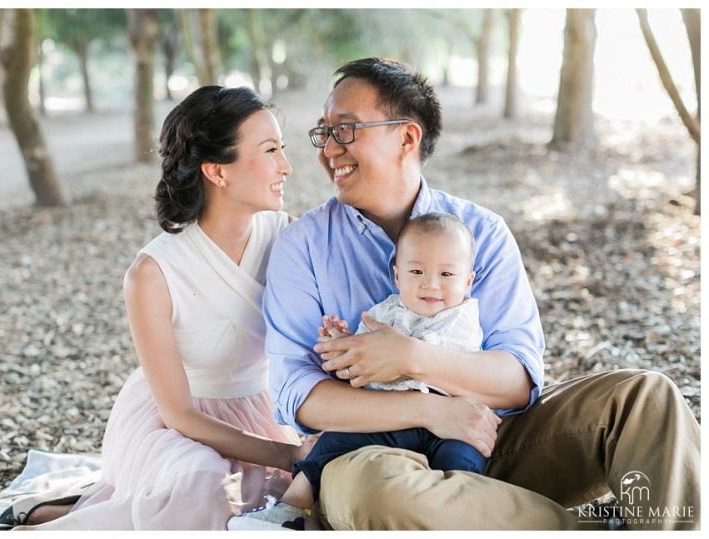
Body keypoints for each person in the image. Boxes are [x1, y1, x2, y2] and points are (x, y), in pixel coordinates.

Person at [262, 57, 700, 530]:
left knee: (645, 398)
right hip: (370, 455)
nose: (328, 149)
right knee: (377, 490)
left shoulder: (483, 233)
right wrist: (430, 408)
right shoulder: (301, 245)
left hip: (486, 440)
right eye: (322, 132)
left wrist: (410, 357)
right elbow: (300, 397)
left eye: (345, 130)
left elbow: (517, 378)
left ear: (407, 138)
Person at [8, 85, 316, 530]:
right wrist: (287, 454)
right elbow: (178, 413)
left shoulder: (285, 236)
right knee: (204, 487)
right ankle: (50, 521)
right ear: (217, 172)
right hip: (174, 422)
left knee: (289, 502)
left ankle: (77, 510)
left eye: (281, 149)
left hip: (259, 411)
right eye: (270, 151)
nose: (285, 167)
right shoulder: (152, 274)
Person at [229, 211, 489, 530]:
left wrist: (396, 355)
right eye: (417, 271)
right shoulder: (384, 313)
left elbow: (431, 360)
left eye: (447, 275)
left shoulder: (462, 318)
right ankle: (291, 508)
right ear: (397, 276)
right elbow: (359, 368)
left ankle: (463, 518)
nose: (430, 284)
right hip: (393, 417)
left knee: (465, 464)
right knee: (333, 441)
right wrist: (342, 347)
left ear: (467, 281)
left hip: (450, 423)